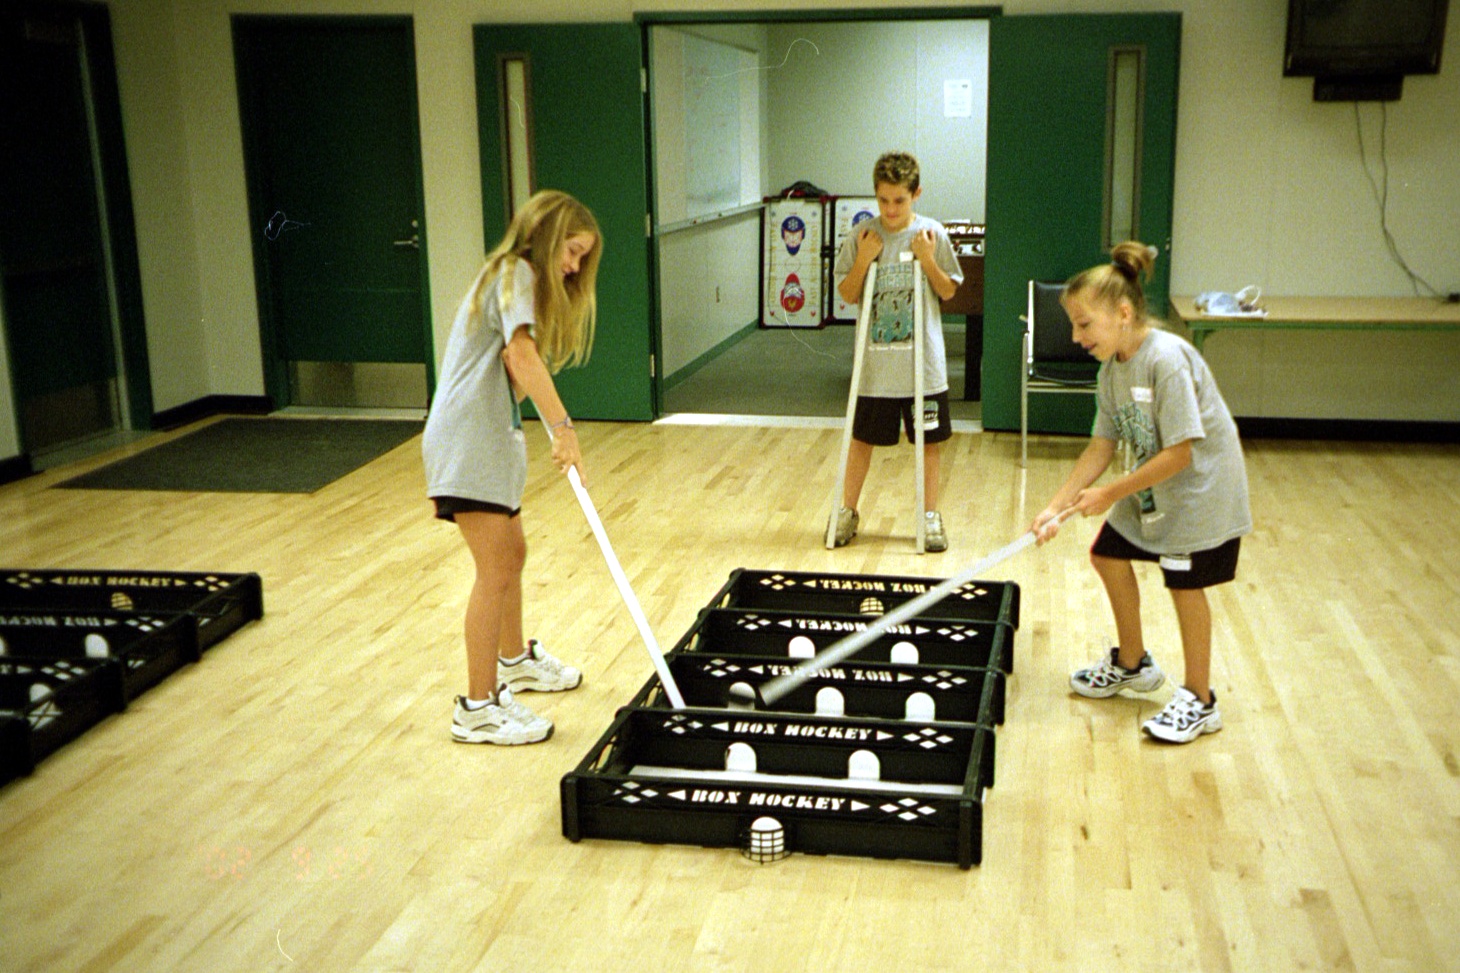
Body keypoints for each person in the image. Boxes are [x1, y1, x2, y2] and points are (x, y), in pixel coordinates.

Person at [1032, 241, 1251, 744]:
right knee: (1108, 555)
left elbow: (1181, 454)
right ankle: (1133, 665)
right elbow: (1100, 446)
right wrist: (1055, 506)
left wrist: (1109, 495)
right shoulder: (1112, 371)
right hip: (1153, 487)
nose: (1075, 336)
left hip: (1200, 492)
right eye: (1073, 324)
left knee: (1184, 584)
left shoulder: (1167, 360)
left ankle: (1200, 699)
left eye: (1084, 324)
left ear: (1124, 313)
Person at [422, 190, 601, 745]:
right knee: (495, 569)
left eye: (581, 258)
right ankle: (476, 707)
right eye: (571, 252)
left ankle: (514, 660)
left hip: (490, 438)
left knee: (512, 555)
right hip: (469, 441)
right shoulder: (515, 271)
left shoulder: (512, 279)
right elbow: (519, 356)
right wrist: (565, 430)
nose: (573, 267)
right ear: (547, 238)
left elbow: (514, 364)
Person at [829, 152, 963, 552]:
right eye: (883, 200)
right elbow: (848, 294)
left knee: (929, 442)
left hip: (921, 363)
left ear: (916, 194)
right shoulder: (863, 236)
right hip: (875, 366)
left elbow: (948, 290)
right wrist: (865, 260)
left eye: (899, 201)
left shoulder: (931, 234)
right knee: (861, 441)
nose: (890, 209)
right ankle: (847, 512)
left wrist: (927, 260)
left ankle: (929, 515)